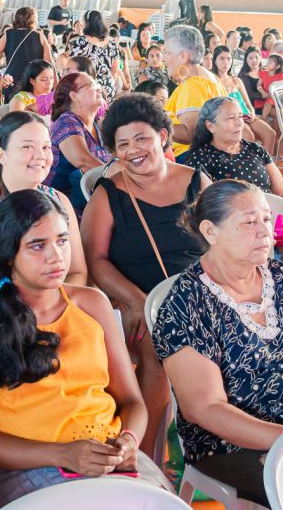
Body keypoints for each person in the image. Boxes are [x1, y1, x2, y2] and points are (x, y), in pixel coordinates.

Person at [153, 180, 283, 510]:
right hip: (232, 442)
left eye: (266, 219)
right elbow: (205, 408)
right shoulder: (186, 304)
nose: (266, 232)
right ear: (210, 231)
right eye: (250, 222)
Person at [0, 189, 169, 508]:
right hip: (26, 466)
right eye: (38, 245)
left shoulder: (92, 304)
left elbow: (132, 401)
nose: (56, 256)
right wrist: (63, 454)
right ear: (8, 254)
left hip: (107, 455)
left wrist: (128, 440)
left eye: (63, 241)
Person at [81, 93, 207, 456]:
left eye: (141, 139)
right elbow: (95, 260)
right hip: (137, 304)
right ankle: (146, 454)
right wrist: (139, 301)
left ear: (162, 136)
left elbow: (221, 240)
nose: (133, 150)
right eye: (123, 145)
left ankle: (208, 442)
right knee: (157, 342)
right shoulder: (108, 195)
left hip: (199, 296)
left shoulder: (197, 182)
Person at [185, 96, 283, 281]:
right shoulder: (200, 158)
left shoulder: (256, 150)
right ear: (211, 126)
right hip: (240, 229)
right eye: (230, 118)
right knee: (275, 268)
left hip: (274, 221)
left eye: (240, 117)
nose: (239, 123)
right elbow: (214, 207)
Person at [0, 112, 89, 304]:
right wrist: (45, 306)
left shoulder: (58, 200)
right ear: (2, 155)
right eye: (27, 147)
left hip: (54, 305)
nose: (40, 156)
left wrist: (54, 306)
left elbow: (77, 272)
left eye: (46, 147)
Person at [46, 72, 110, 212]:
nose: (98, 88)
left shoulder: (97, 125)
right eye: (91, 85)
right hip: (63, 206)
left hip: (95, 199)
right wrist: (122, 178)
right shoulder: (66, 121)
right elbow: (83, 161)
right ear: (74, 96)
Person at [160, 25, 226, 157]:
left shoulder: (192, 84)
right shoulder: (211, 78)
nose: (163, 59)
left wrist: (155, 123)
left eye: (167, 52)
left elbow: (190, 134)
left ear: (183, 56)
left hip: (189, 157)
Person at [0, 7, 51, 103]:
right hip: (34, 83)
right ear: (33, 20)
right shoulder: (39, 36)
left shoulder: (8, 34)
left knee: (11, 110)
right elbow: (49, 64)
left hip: (11, 81)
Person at [68, 10, 123, 102]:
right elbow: (115, 70)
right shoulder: (112, 43)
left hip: (88, 89)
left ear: (87, 23)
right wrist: (109, 86)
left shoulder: (81, 42)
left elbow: (72, 67)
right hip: (108, 89)